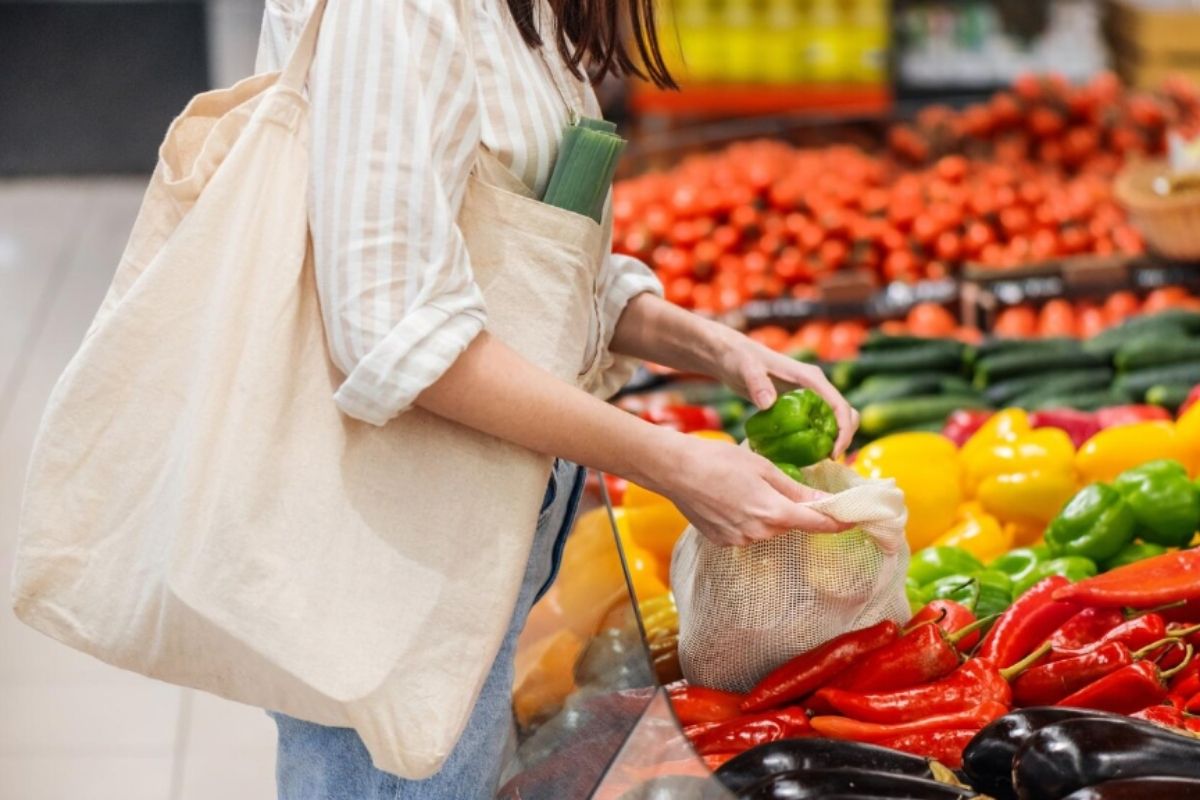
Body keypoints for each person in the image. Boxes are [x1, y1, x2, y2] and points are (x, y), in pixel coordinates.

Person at [255, 0, 860, 796]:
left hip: (480, 530)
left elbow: (537, 265)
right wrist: (670, 462)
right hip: (391, 549)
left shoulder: (523, 12)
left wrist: (719, 349)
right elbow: (395, 337)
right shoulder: (395, 11)